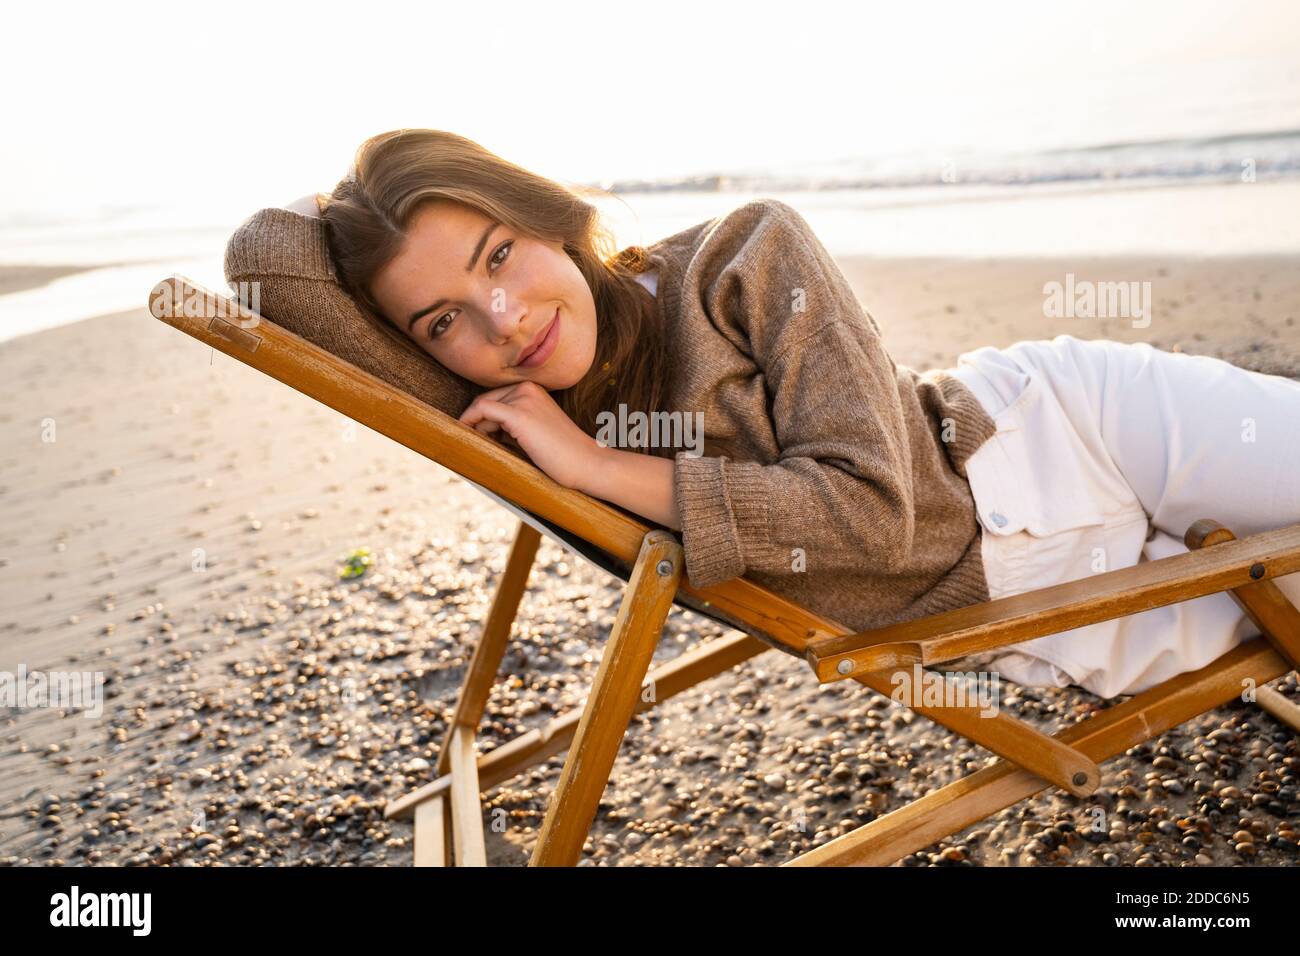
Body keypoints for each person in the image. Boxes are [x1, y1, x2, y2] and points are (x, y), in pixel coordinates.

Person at [311, 128, 1300, 700]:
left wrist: (598, 467)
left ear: (549, 217)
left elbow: (874, 511)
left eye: (497, 254)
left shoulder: (739, 255)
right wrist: (577, 458)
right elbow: (269, 268)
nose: (503, 316)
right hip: (1031, 607)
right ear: (415, 350)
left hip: (1061, 428)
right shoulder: (516, 422)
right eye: (442, 319)